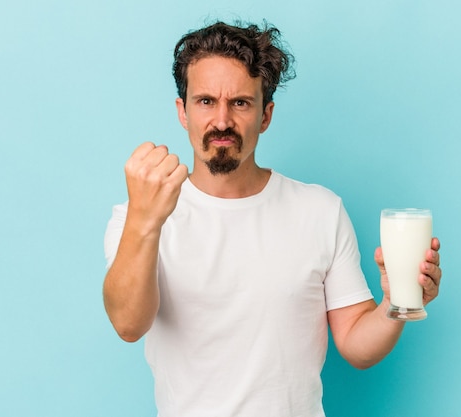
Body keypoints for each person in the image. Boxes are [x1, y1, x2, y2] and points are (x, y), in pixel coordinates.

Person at [103, 21, 442, 417]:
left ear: (266, 115)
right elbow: (128, 324)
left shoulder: (320, 210)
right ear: (183, 111)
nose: (222, 121)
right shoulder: (137, 216)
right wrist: (146, 220)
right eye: (206, 101)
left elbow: (355, 342)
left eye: (241, 103)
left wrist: (394, 303)